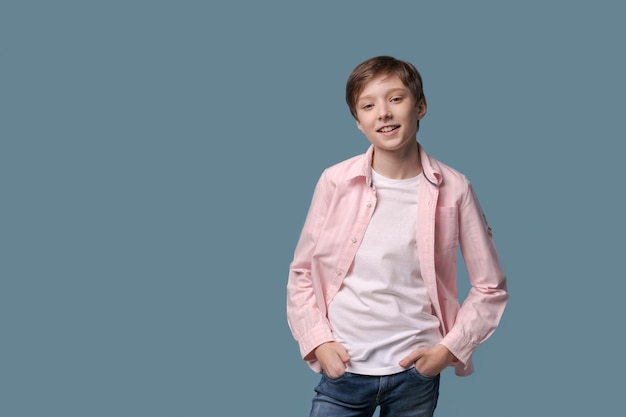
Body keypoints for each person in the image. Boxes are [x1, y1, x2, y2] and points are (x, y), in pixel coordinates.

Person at [286, 56, 508, 417]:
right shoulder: (334, 182)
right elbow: (301, 274)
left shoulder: (454, 188)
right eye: (368, 105)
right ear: (358, 122)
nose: (383, 113)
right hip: (343, 368)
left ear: (420, 107)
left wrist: (447, 351)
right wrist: (318, 341)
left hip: (415, 375)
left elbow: (490, 287)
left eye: (396, 99)